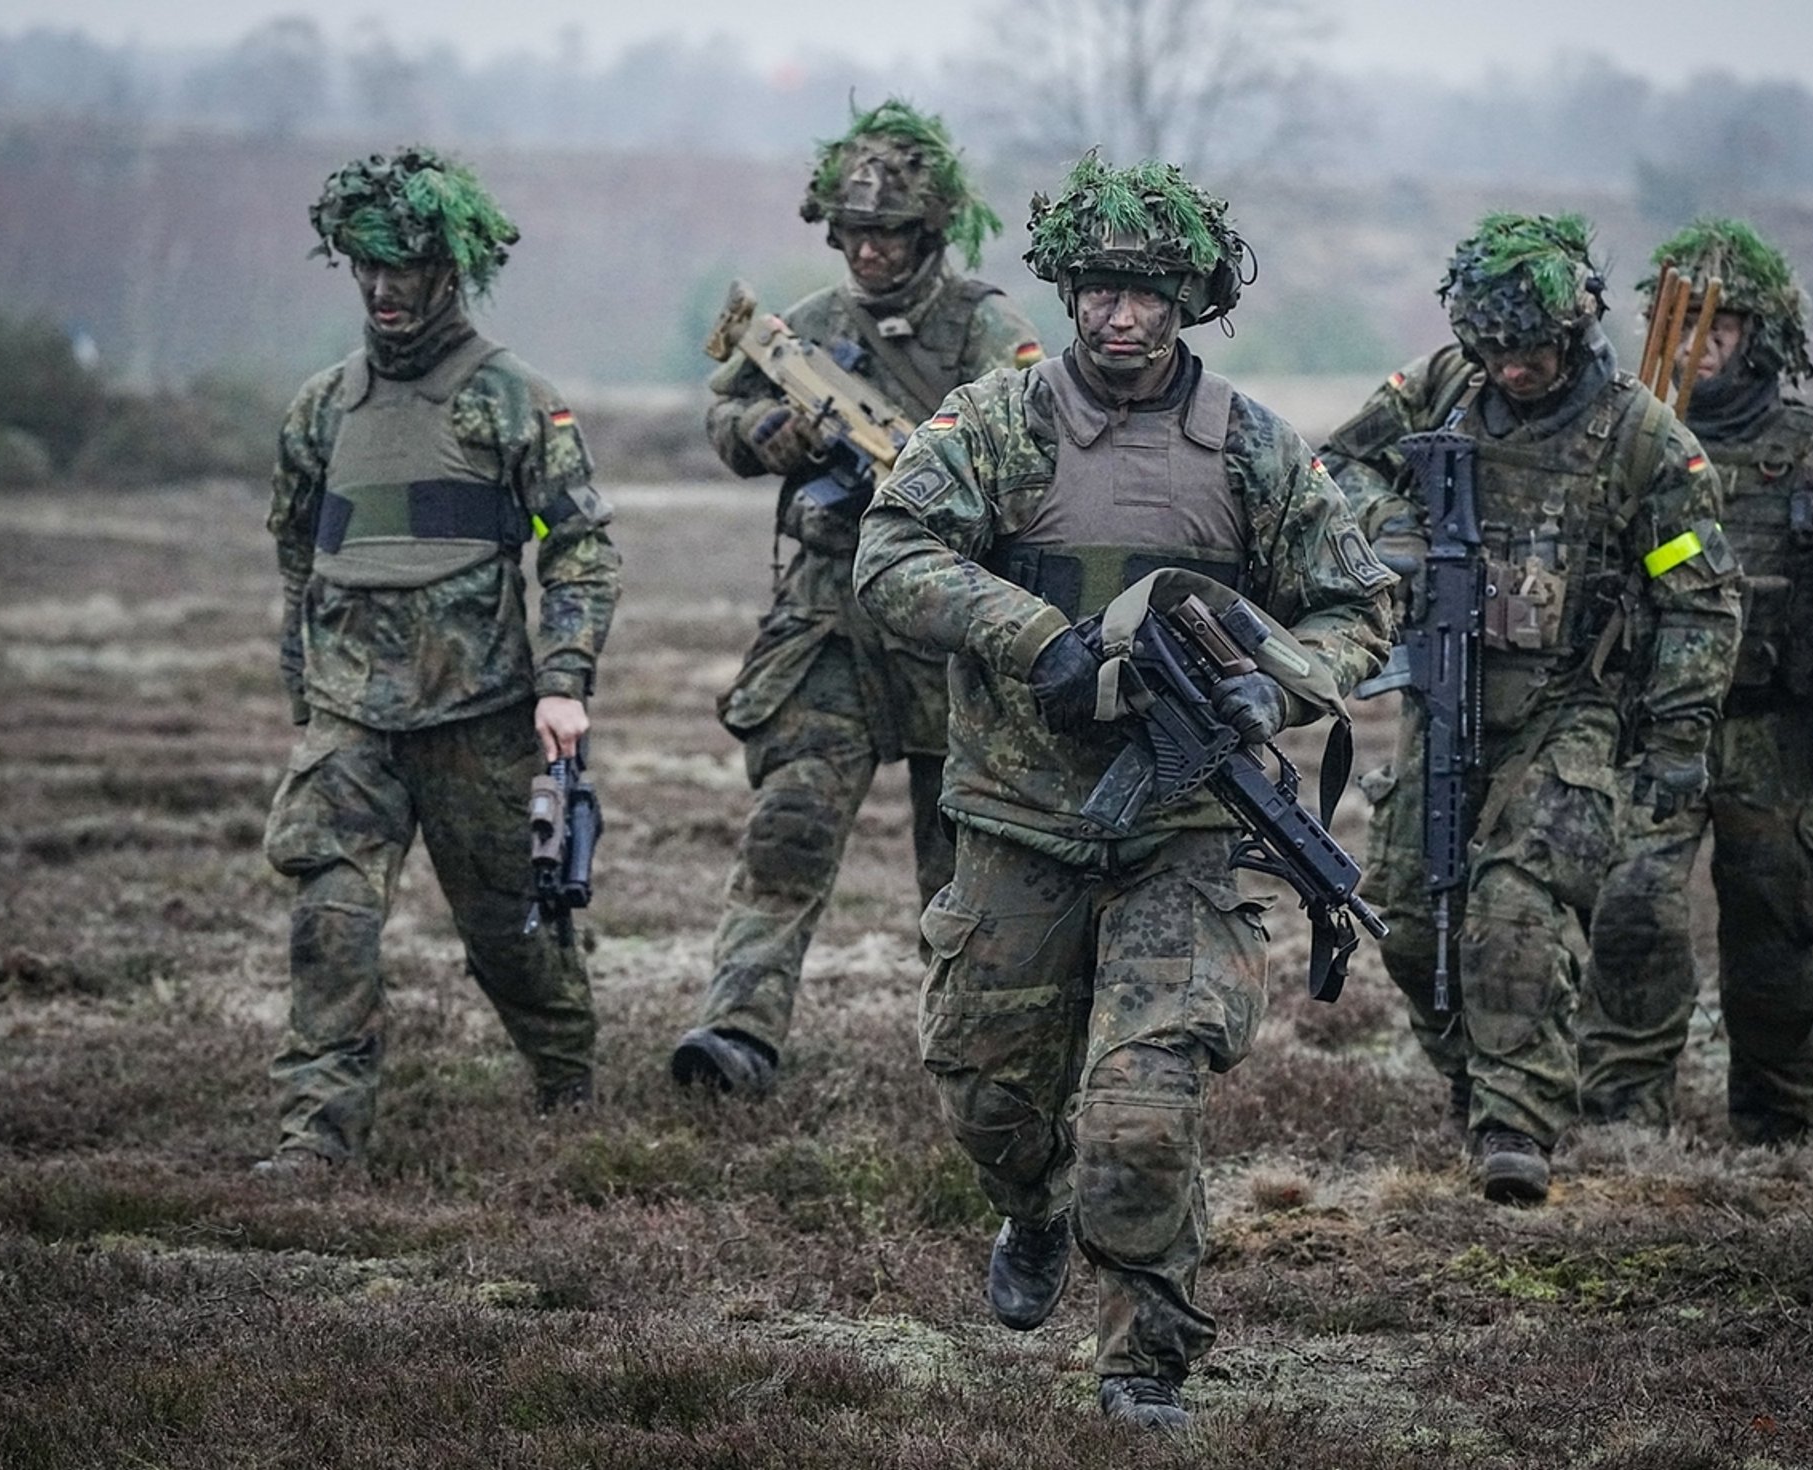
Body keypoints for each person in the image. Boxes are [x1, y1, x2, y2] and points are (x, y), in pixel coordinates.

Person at [853, 153, 1394, 1430]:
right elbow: (890, 553)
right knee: (989, 1095)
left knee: (1142, 1114)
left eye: (1149, 292)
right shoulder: (998, 420)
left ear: (1191, 299)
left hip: (1184, 836)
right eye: (1098, 287)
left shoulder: (1253, 447)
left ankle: (1143, 1362)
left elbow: (1358, 602)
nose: (1120, 316)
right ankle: (1032, 1208)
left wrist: (1279, 683)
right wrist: (1031, 637)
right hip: (1013, 824)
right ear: (1068, 290)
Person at [1318, 212, 1742, 1203]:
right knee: (1414, 922)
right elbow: (1332, 470)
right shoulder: (1434, 389)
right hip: (1443, 691)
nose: (1512, 369)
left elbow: (1700, 598)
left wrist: (1677, 737)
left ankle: (1516, 1123)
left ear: (1576, 329)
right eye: (1495, 349)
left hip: (1574, 711)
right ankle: (1479, 1085)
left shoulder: (1643, 440)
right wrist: (1392, 533)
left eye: (1533, 350)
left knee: (1512, 908)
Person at [257, 147, 620, 1174]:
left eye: (404, 266)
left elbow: (580, 545)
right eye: (365, 266)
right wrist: (306, 681)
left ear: (448, 268)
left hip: (478, 716)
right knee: (331, 918)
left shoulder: (513, 403)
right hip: (351, 722)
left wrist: (564, 680)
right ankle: (315, 1140)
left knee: (512, 936)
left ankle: (566, 1079)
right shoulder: (323, 408)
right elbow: (297, 548)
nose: (383, 288)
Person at [670, 99, 1043, 1095]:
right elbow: (727, 413)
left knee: (959, 866)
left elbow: (1040, 440)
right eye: (854, 233)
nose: (870, 252)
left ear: (926, 233)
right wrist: (775, 438)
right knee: (785, 832)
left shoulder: (980, 325)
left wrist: (934, 471)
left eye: (888, 234)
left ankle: (975, 1063)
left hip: (943, 624)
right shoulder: (810, 330)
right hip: (827, 624)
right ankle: (736, 1034)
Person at [1579, 218, 1813, 1143]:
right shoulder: (1631, 444)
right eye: (1685, 330)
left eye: (1721, 331)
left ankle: (1779, 1133)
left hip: (1775, 735)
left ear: (1762, 341)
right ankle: (1625, 1123)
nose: (1698, 350)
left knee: (1774, 935)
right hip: (1658, 723)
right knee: (1629, 914)